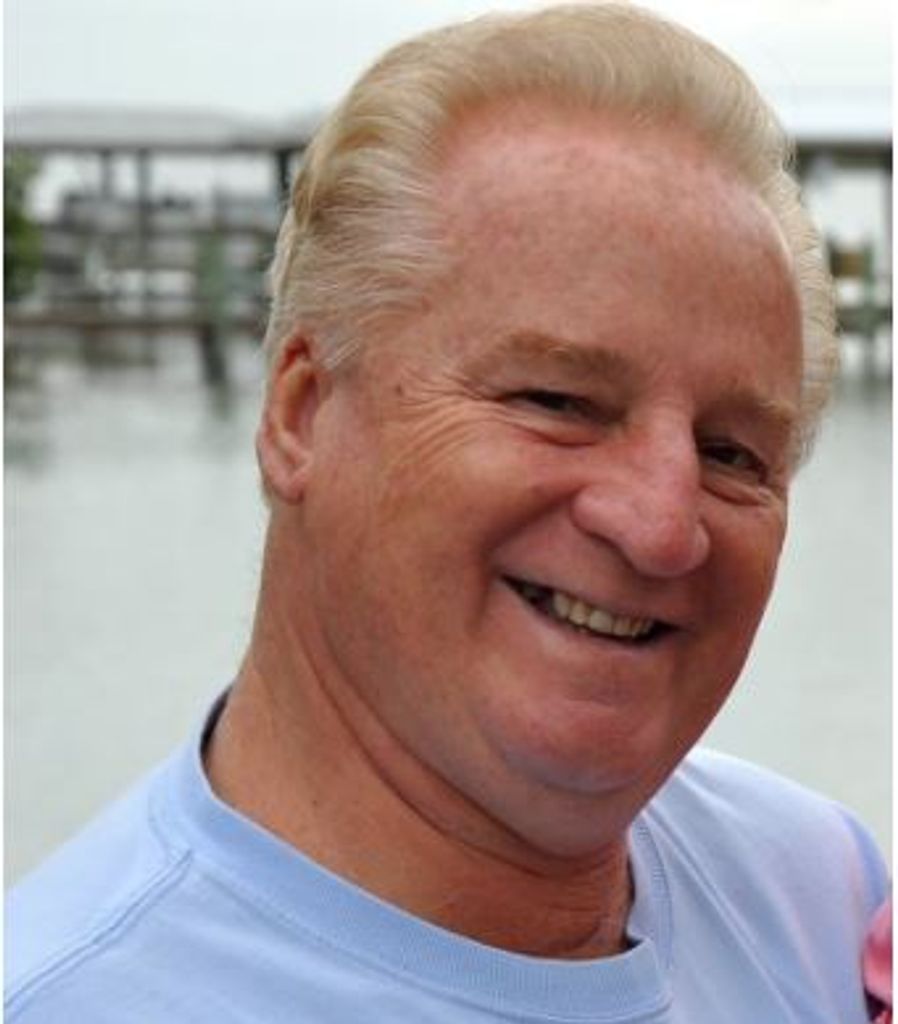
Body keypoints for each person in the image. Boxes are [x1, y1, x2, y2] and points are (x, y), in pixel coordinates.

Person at [6, 4, 888, 1022]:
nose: (659, 525)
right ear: (301, 412)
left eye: (732, 454)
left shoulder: (820, 896)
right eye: (557, 401)